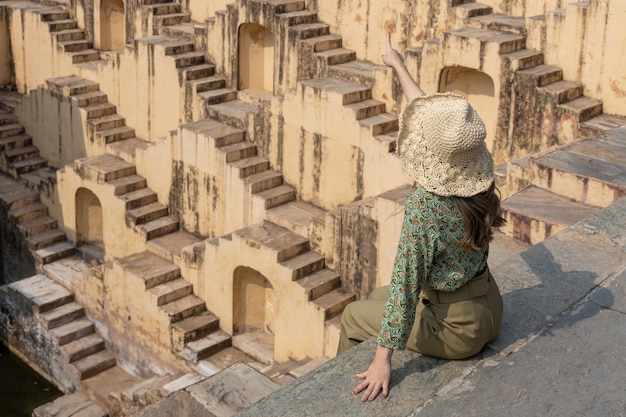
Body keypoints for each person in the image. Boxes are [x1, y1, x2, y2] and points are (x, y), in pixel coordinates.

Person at [336, 33, 505, 402]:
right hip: (489, 305)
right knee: (374, 296)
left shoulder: (426, 207)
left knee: (352, 316)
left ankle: (338, 403)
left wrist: (385, 359)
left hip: (459, 330)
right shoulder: (475, 174)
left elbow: (406, 283)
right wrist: (397, 64)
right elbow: (434, 119)